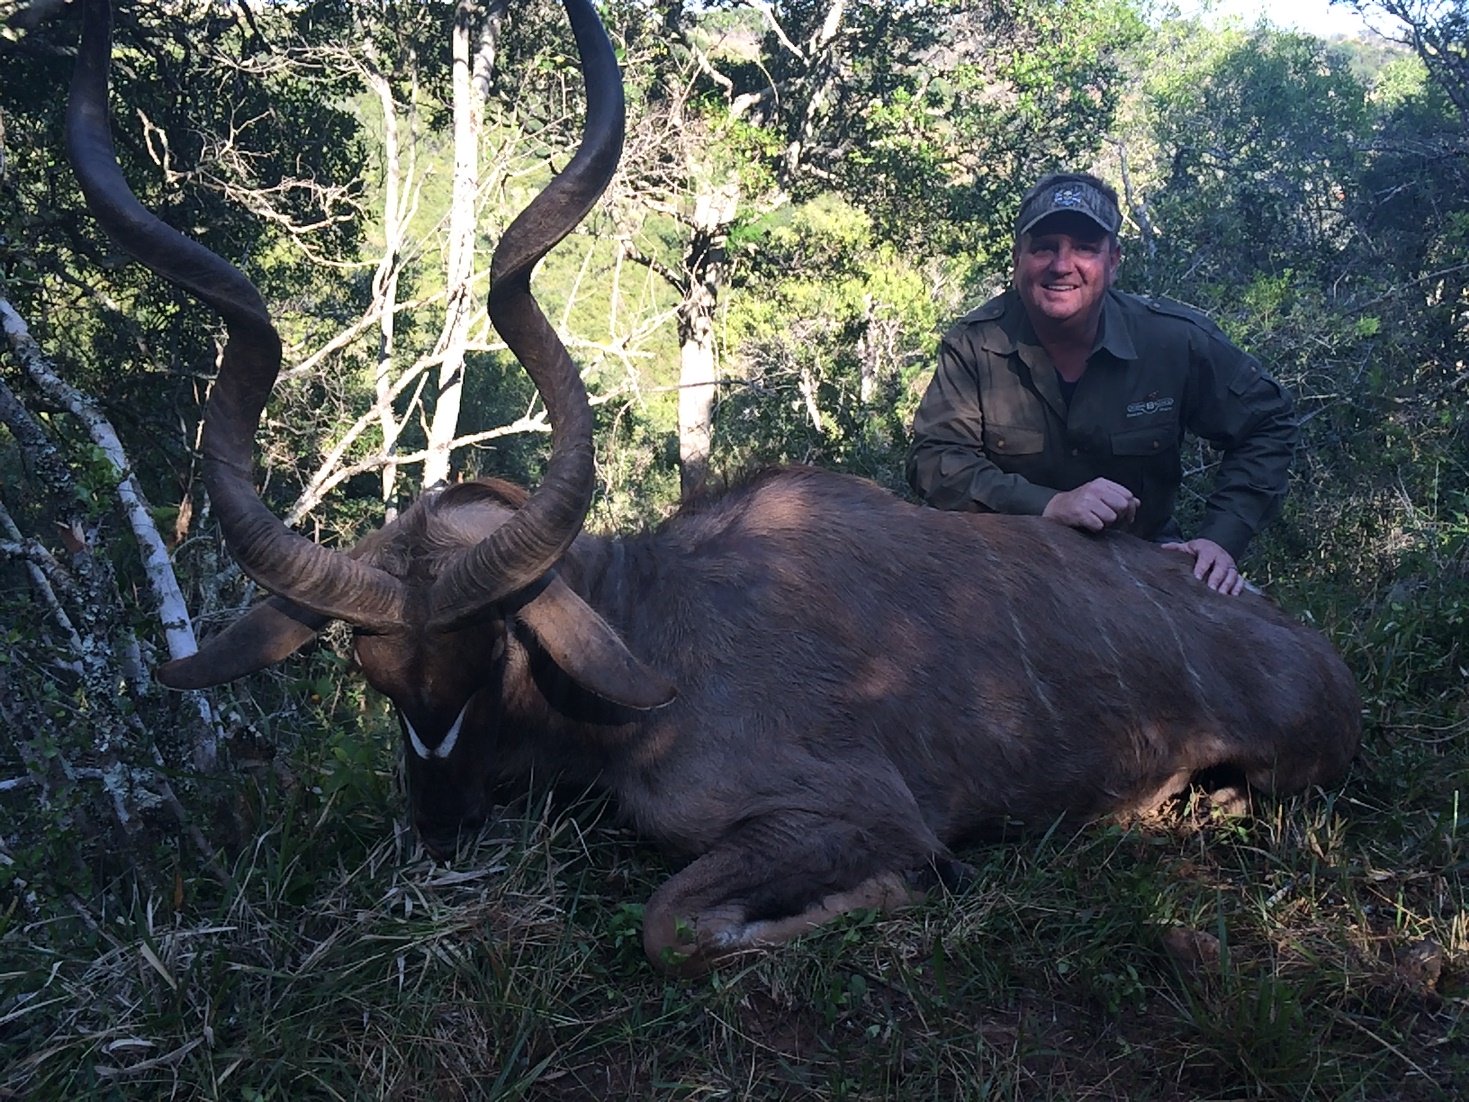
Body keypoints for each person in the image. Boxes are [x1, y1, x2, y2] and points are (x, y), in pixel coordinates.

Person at [906, 171, 1298, 596]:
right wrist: (1049, 505)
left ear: (1112, 261)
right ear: (1018, 258)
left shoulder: (1171, 339)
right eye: (1044, 248)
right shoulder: (975, 344)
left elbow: (1267, 423)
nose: (1061, 265)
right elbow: (935, 458)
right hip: (1006, 569)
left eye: (1086, 248)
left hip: (1145, 565)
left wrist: (1221, 539)